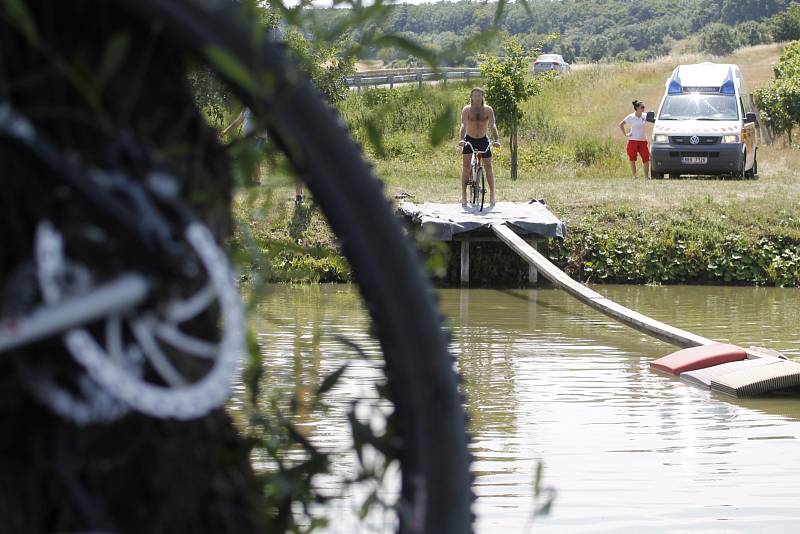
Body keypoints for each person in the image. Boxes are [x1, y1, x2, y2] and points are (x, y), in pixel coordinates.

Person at [221, 107, 305, 204]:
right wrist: (225, 131)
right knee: (250, 160)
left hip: (259, 138)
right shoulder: (246, 110)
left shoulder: (259, 107)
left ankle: (257, 182)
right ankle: (256, 181)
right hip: (248, 140)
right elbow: (236, 122)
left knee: (253, 159)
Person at [458, 87, 501, 207]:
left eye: (479, 95)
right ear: (471, 97)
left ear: (482, 96)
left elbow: (492, 125)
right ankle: (464, 195)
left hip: (483, 140)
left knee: (488, 166)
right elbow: (463, 125)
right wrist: (461, 139)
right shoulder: (467, 110)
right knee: (466, 166)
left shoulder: (488, 110)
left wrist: (497, 140)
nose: (477, 98)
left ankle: (492, 194)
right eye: (475, 95)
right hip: (469, 139)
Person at [619, 99, 650, 179]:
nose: (643, 109)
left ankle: (646, 177)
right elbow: (621, 124)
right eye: (642, 107)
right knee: (632, 158)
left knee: (646, 158)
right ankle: (634, 176)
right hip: (633, 141)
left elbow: (654, 119)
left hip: (643, 141)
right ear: (637, 108)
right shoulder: (631, 117)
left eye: (644, 107)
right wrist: (625, 134)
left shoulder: (645, 116)